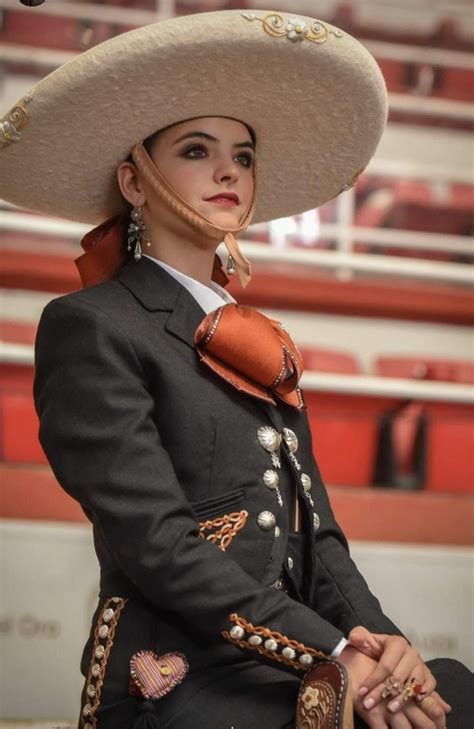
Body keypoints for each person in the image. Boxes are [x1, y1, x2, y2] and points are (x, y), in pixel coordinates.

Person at [0, 9, 471, 729]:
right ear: (134, 180)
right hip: (175, 681)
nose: (229, 170)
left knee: (453, 693)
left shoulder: (258, 340)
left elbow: (320, 541)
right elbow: (158, 545)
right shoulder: (92, 324)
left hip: (293, 663)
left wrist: (385, 643)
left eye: (244, 156)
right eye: (197, 149)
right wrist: (336, 647)